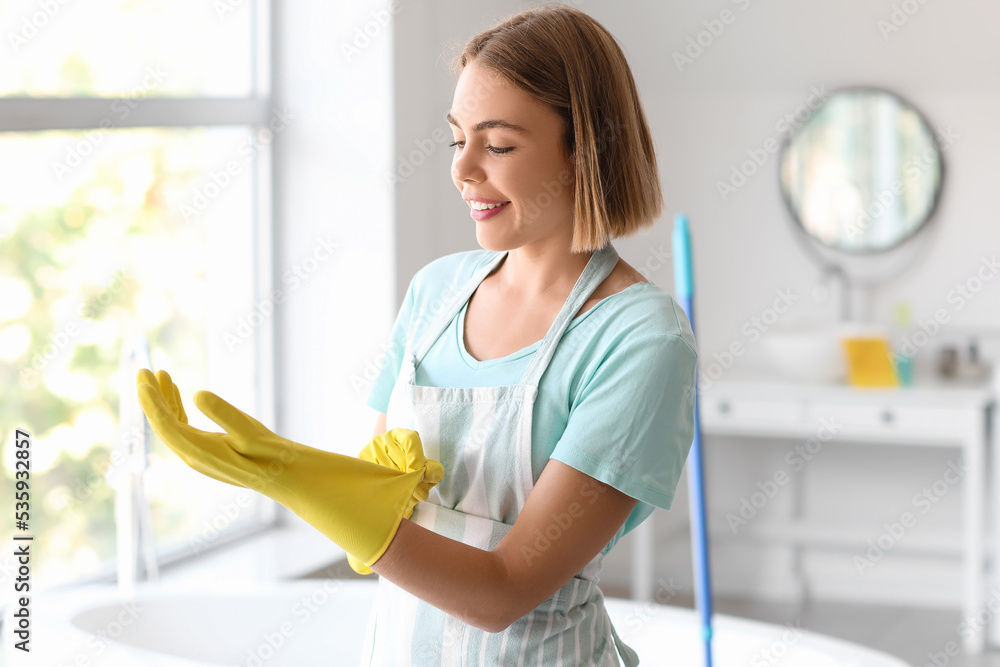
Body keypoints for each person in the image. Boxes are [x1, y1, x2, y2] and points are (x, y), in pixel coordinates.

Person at [359, 4, 698, 665]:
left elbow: (502, 591)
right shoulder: (434, 293)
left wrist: (309, 494)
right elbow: (384, 512)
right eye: (459, 139)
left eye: (500, 145)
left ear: (586, 150)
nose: (463, 170)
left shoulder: (640, 338)